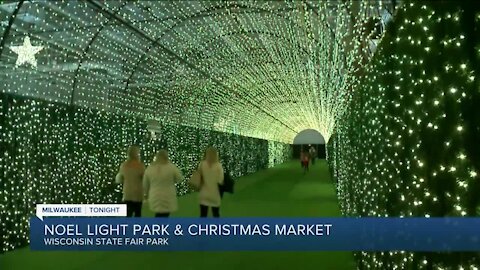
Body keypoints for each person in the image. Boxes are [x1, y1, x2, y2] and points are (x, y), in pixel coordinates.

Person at [143, 150, 182, 218]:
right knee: (164, 216)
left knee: (159, 215)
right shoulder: (171, 167)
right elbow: (179, 178)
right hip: (168, 195)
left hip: (155, 195)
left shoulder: (150, 168)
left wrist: (146, 194)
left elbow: (145, 184)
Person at [116, 146, 145, 217]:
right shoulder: (140, 166)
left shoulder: (124, 165)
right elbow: (144, 178)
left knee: (128, 215)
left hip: (127, 194)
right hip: (138, 194)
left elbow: (119, 179)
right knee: (138, 214)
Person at [198, 147, 224, 217]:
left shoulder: (202, 164)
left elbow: (199, 177)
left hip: (204, 193)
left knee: (203, 215)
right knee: (216, 214)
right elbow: (220, 180)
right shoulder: (218, 166)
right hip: (214, 193)